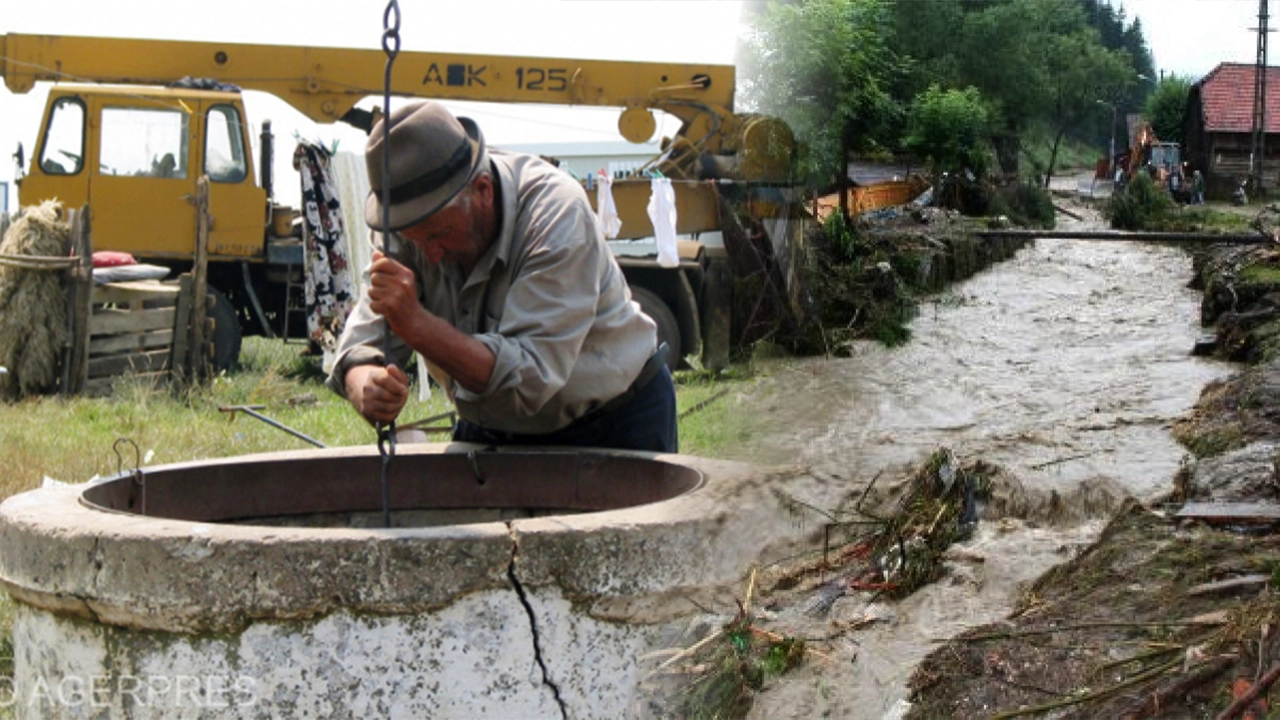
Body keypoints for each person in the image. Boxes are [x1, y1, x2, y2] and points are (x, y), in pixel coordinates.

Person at [326, 101, 677, 453]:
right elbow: (364, 343)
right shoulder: (409, 221)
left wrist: (418, 326)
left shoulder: (556, 216)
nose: (429, 255)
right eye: (415, 240)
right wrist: (367, 389)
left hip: (613, 421)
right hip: (491, 423)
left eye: (439, 234)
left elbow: (527, 381)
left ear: (483, 190)